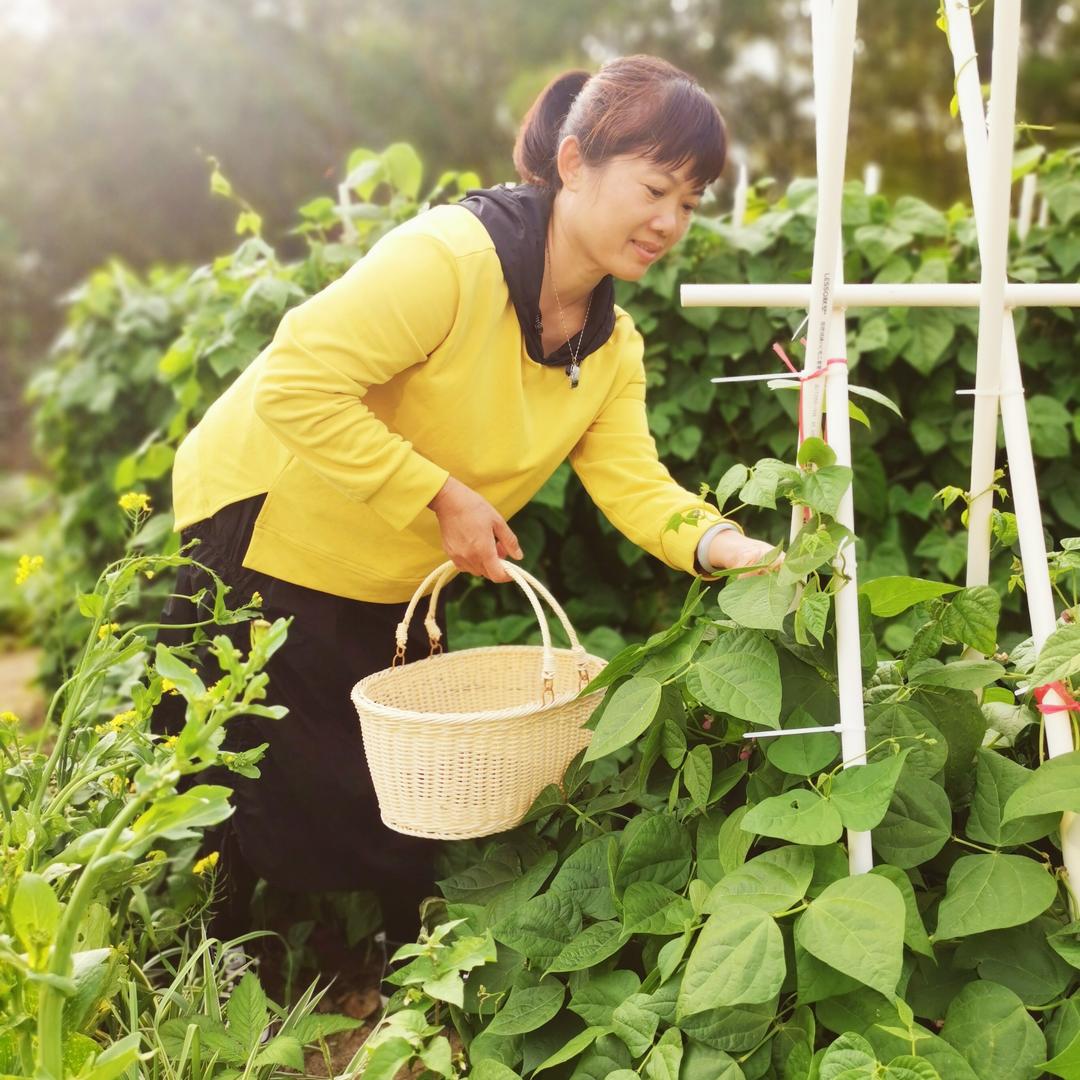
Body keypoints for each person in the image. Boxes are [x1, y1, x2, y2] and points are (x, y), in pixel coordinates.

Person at [157, 54, 778, 945]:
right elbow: (292, 385)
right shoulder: (449, 261)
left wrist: (731, 550)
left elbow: (636, 485)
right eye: (654, 188)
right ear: (572, 164)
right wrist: (441, 494)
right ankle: (217, 969)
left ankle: (374, 975)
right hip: (264, 518)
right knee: (261, 773)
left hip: (382, 564)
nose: (669, 221)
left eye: (689, 201)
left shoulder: (610, 347)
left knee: (397, 784)